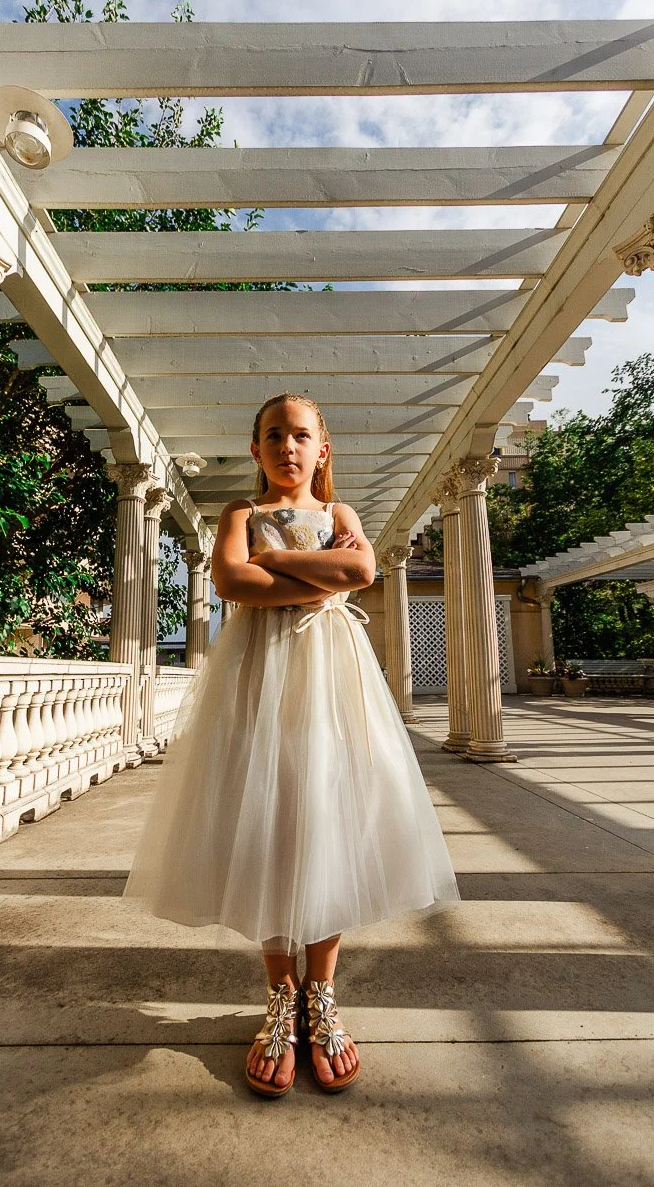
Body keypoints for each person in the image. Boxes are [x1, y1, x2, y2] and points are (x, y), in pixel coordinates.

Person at [122, 392, 461, 1098]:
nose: (287, 446)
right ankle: (281, 994)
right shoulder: (240, 516)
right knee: (271, 821)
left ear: (322, 449)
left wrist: (281, 577)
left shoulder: (341, 517)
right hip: (257, 680)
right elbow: (230, 580)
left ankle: (322, 995)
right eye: (273, 434)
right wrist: (317, 576)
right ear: (256, 449)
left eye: (301, 435)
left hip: (330, 682)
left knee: (327, 817)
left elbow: (361, 573)